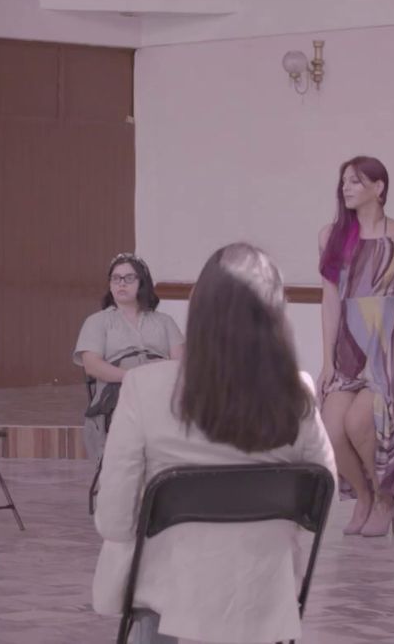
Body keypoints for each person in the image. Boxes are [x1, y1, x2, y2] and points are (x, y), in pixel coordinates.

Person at [92, 243, 336, 644]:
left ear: (198, 308)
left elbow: (115, 520)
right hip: (262, 594)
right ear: (276, 313)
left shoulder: (145, 386)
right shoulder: (297, 392)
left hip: (167, 598)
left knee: (142, 580)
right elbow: (322, 501)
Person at [317, 155, 394, 537]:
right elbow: (331, 301)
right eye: (343, 182)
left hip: (391, 346)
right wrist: (327, 360)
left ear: (378, 188)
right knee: (333, 429)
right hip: (349, 345)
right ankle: (364, 496)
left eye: (354, 181)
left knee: (358, 422)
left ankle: (385, 497)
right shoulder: (331, 236)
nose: (345, 188)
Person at [73, 253, 184, 460]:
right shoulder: (97, 322)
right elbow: (93, 366)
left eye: (129, 278)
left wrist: (155, 375)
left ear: (143, 283)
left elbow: (179, 365)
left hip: (160, 390)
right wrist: (133, 377)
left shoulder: (165, 321)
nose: (121, 284)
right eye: (116, 278)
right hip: (118, 393)